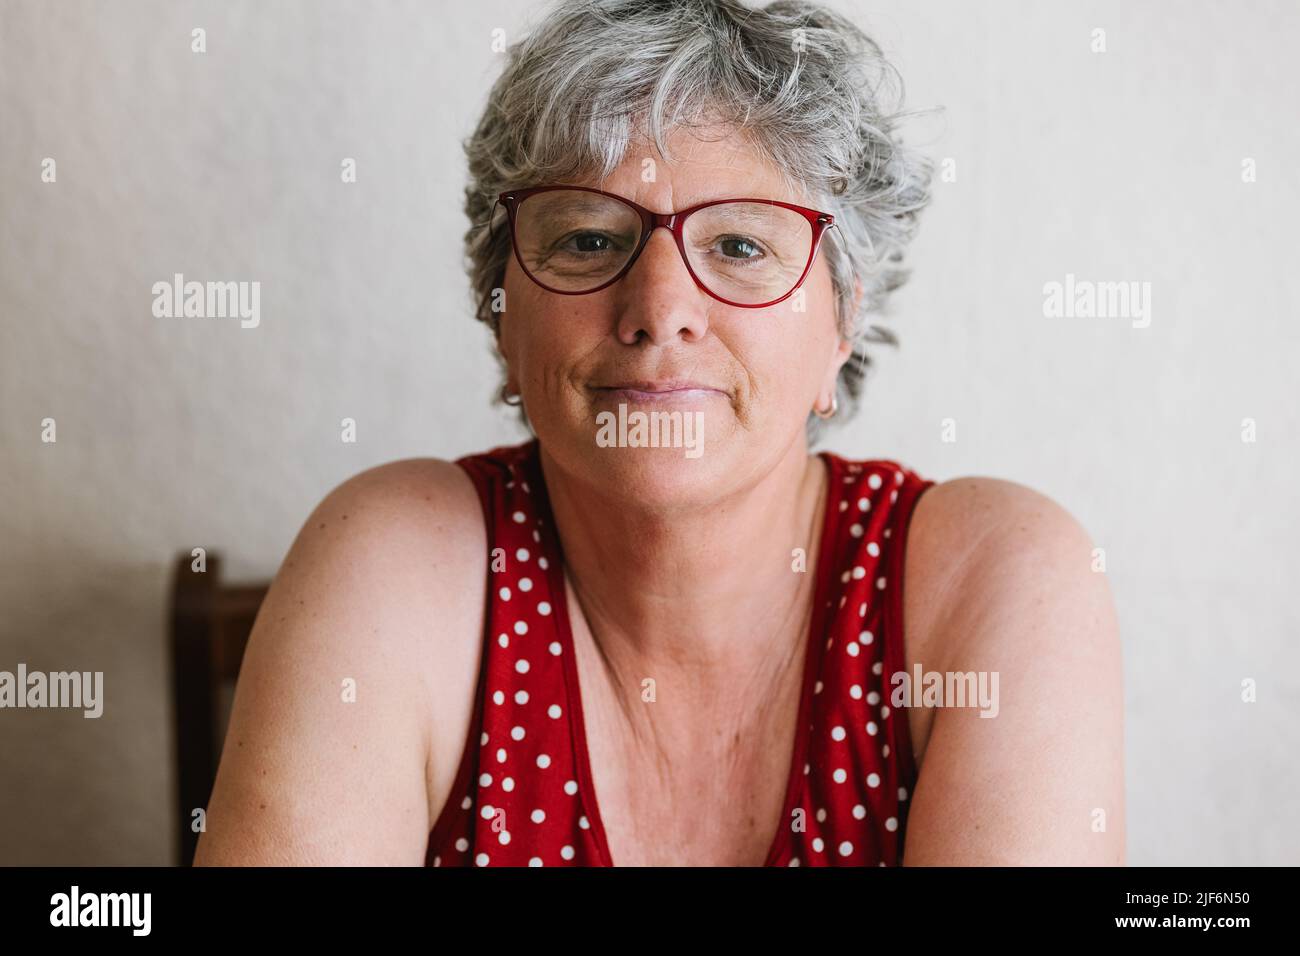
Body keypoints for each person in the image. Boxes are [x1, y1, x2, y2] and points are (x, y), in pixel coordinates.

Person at [194, 0, 1123, 867]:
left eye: (741, 245)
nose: (659, 309)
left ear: (843, 318)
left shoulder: (994, 574)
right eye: (591, 239)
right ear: (500, 314)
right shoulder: (393, 556)